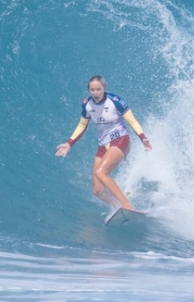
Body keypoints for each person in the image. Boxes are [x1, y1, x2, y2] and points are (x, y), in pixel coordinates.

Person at [56, 75, 152, 211]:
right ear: (89, 90)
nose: (95, 93)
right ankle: (118, 206)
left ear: (104, 89)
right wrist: (69, 144)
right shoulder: (87, 104)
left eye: (98, 90)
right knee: (97, 190)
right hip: (103, 145)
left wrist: (143, 138)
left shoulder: (115, 101)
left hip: (120, 140)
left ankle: (127, 205)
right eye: (92, 90)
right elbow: (82, 126)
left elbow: (132, 121)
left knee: (101, 172)